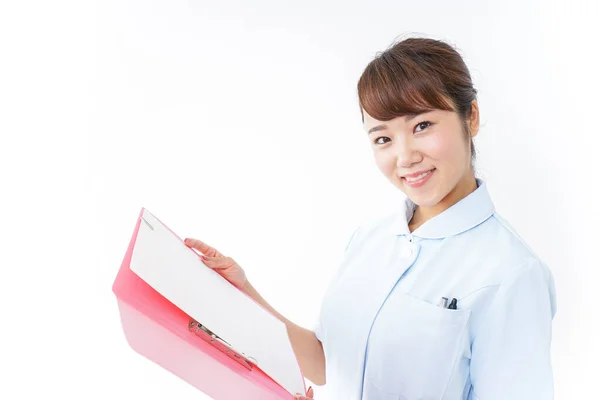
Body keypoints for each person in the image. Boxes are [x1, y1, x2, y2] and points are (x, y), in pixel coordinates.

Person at [184, 36, 557, 400]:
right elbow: (326, 363)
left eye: (422, 126)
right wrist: (242, 292)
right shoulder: (369, 239)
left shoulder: (513, 274)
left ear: (470, 117)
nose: (405, 156)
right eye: (383, 139)